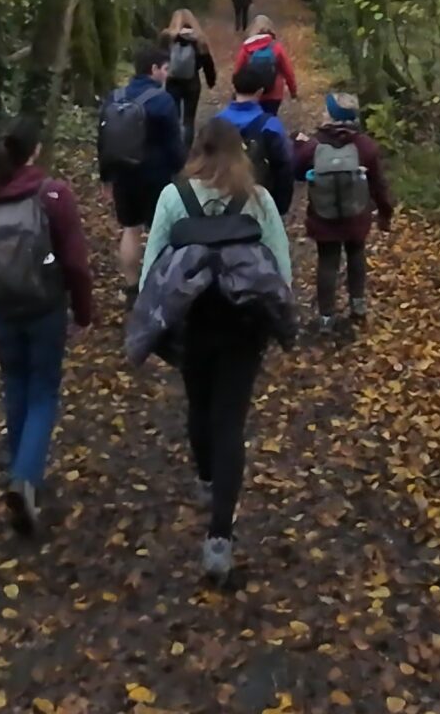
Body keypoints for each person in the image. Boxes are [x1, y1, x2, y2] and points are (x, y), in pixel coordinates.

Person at [126, 117, 295, 583]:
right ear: (240, 153)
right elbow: (280, 268)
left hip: (194, 321)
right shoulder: (257, 200)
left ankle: (206, 479)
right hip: (244, 325)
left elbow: (152, 272)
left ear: (196, 150)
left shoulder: (173, 197)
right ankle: (220, 538)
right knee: (230, 421)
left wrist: (153, 325)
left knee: (199, 405)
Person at [0, 119, 94, 537]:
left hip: (1, 311)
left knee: (14, 386)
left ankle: (21, 477)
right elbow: (76, 264)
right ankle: (25, 479)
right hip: (45, 308)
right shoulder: (54, 195)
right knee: (43, 391)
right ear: (35, 151)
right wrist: (83, 313)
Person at [292, 93, 395, 332]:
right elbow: (378, 185)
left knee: (327, 263)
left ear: (331, 116)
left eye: (326, 110)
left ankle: (326, 317)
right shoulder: (365, 146)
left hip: (323, 217)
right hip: (356, 216)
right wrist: (385, 213)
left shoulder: (313, 146)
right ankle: (358, 306)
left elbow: (296, 172)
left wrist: (297, 146)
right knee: (356, 256)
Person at [99, 41, 185, 289]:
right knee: (162, 231)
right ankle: (159, 284)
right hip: (156, 176)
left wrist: (106, 177)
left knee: (130, 229)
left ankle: (131, 284)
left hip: (123, 174)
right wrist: (181, 171)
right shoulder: (163, 100)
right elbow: (173, 144)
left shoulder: (114, 97)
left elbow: (104, 140)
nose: (167, 74)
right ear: (154, 69)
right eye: (165, 69)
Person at [215, 65, 297, 217]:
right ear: (260, 91)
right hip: (258, 200)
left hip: (221, 198)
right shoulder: (270, 125)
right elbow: (284, 166)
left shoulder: (216, 122)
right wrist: (280, 206)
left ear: (234, 88)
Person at [162, 8, 221, 129]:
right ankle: (187, 140)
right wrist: (211, 81)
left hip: (172, 81)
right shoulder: (199, 40)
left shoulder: (168, 38)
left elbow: (159, 57)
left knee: (174, 116)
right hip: (192, 82)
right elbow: (207, 63)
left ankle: (175, 138)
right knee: (189, 119)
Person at [233, 14, 299, 118]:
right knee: (269, 120)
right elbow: (288, 72)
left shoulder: (247, 48)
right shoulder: (276, 47)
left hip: (252, 93)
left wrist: (238, 92)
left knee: (253, 120)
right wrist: (293, 91)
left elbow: (237, 71)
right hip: (274, 94)